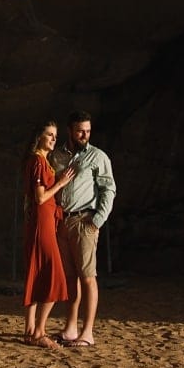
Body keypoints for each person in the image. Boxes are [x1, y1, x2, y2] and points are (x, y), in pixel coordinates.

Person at [50, 110, 116, 347]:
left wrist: (98, 220)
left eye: (87, 131)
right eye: (80, 130)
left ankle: (87, 332)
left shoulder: (98, 157)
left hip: (84, 221)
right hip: (63, 221)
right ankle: (70, 328)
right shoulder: (57, 156)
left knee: (88, 277)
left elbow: (109, 189)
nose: (84, 135)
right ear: (70, 130)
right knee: (69, 278)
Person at [21, 121, 74, 349]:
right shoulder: (38, 162)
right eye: (49, 135)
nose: (53, 139)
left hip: (42, 222)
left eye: (55, 135)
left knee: (37, 274)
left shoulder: (39, 161)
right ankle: (40, 332)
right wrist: (61, 183)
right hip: (42, 224)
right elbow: (40, 197)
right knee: (54, 276)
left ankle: (30, 330)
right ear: (39, 137)